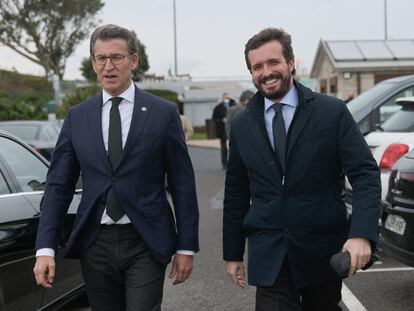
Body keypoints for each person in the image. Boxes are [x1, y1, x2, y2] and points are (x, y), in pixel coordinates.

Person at [33, 24, 199, 311]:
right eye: (101, 58)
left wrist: (186, 246)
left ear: (133, 61)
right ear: (93, 63)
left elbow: (182, 184)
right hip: (95, 243)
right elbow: (58, 186)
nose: (108, 66)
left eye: (117, 57)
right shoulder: (77, 117)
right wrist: (44, 248)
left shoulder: (162, 113)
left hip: (145, 240)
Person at [223, 27, 380, 311]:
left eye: (273, 62)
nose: (266, 72)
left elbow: (365, 174)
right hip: (269, 252)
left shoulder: (331, 112)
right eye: (257, 66)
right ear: (251, 73)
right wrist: (232, 254)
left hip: (321, 250)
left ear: (291, 63)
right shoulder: (242, 124)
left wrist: (362, 234)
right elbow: (236, 192)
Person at [212, 93, 235, 169]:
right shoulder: (218, 107)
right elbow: (214, 118)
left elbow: (240, 108)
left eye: (227, 97)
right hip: (222, 129)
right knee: (223, 147)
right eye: (224, 97)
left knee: (233, 146)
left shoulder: (233, 104)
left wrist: (232, 99)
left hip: (232, 128)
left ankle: (233, 163)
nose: (226, 99)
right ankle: (224, 163)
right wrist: (222, 120)